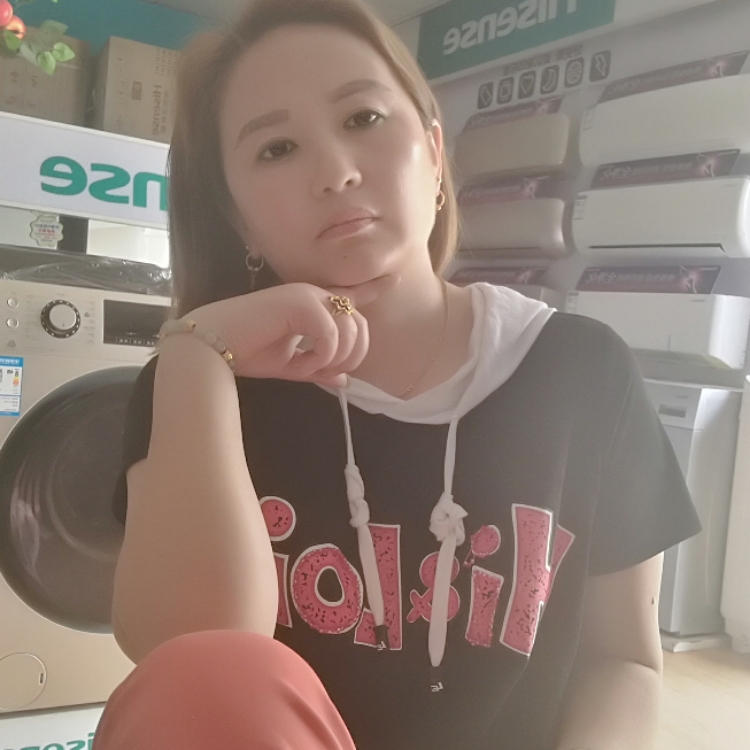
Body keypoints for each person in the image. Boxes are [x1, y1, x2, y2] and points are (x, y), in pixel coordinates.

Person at [94, 0, 701, 748]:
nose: (336, 172)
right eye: (277, 149)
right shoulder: (196, 391)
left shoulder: (582, 369)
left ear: (435, 153)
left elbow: (624, 661)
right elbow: (193, 665)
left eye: (364, 118)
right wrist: (194, 355)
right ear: (239, 219)